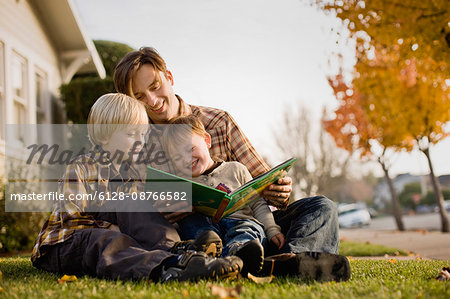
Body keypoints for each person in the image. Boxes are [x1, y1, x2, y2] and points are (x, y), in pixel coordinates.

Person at [113, 47, 351, 281]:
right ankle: (253, 262)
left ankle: (287, 259)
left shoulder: (217, 122)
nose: (152, 101)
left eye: (155, 87)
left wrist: (279, 189)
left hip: (246, 224)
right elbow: (134, 210)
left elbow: (262, 185)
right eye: (140, 97)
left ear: (169, 77)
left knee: (322, 207)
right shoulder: (137, 142)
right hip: (194, 237)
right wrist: (164, 207)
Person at [31, 93, 243, 282]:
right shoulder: (81, 167)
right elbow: (70, 219)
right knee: (107, 240)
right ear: (105, 135)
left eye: (142, 134)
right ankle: (168, 267)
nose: (140, 141)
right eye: (132, 134)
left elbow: (137, 219)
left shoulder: (130, 176)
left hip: (111, 236)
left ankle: (180, 252)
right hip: (65, 244)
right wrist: (113, 229)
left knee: (133, 205)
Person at [161, 115, 285, 276]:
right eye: (177, 157)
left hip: (239, 222)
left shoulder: (236, 169)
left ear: (207, 140)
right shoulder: (181, 184)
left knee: (248, 228)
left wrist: (272, 230)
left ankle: (238, 253)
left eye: (190, 149)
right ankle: (205, 257)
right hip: (207, 233)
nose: (186, 159)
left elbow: (258, 204)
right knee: (193, 223)